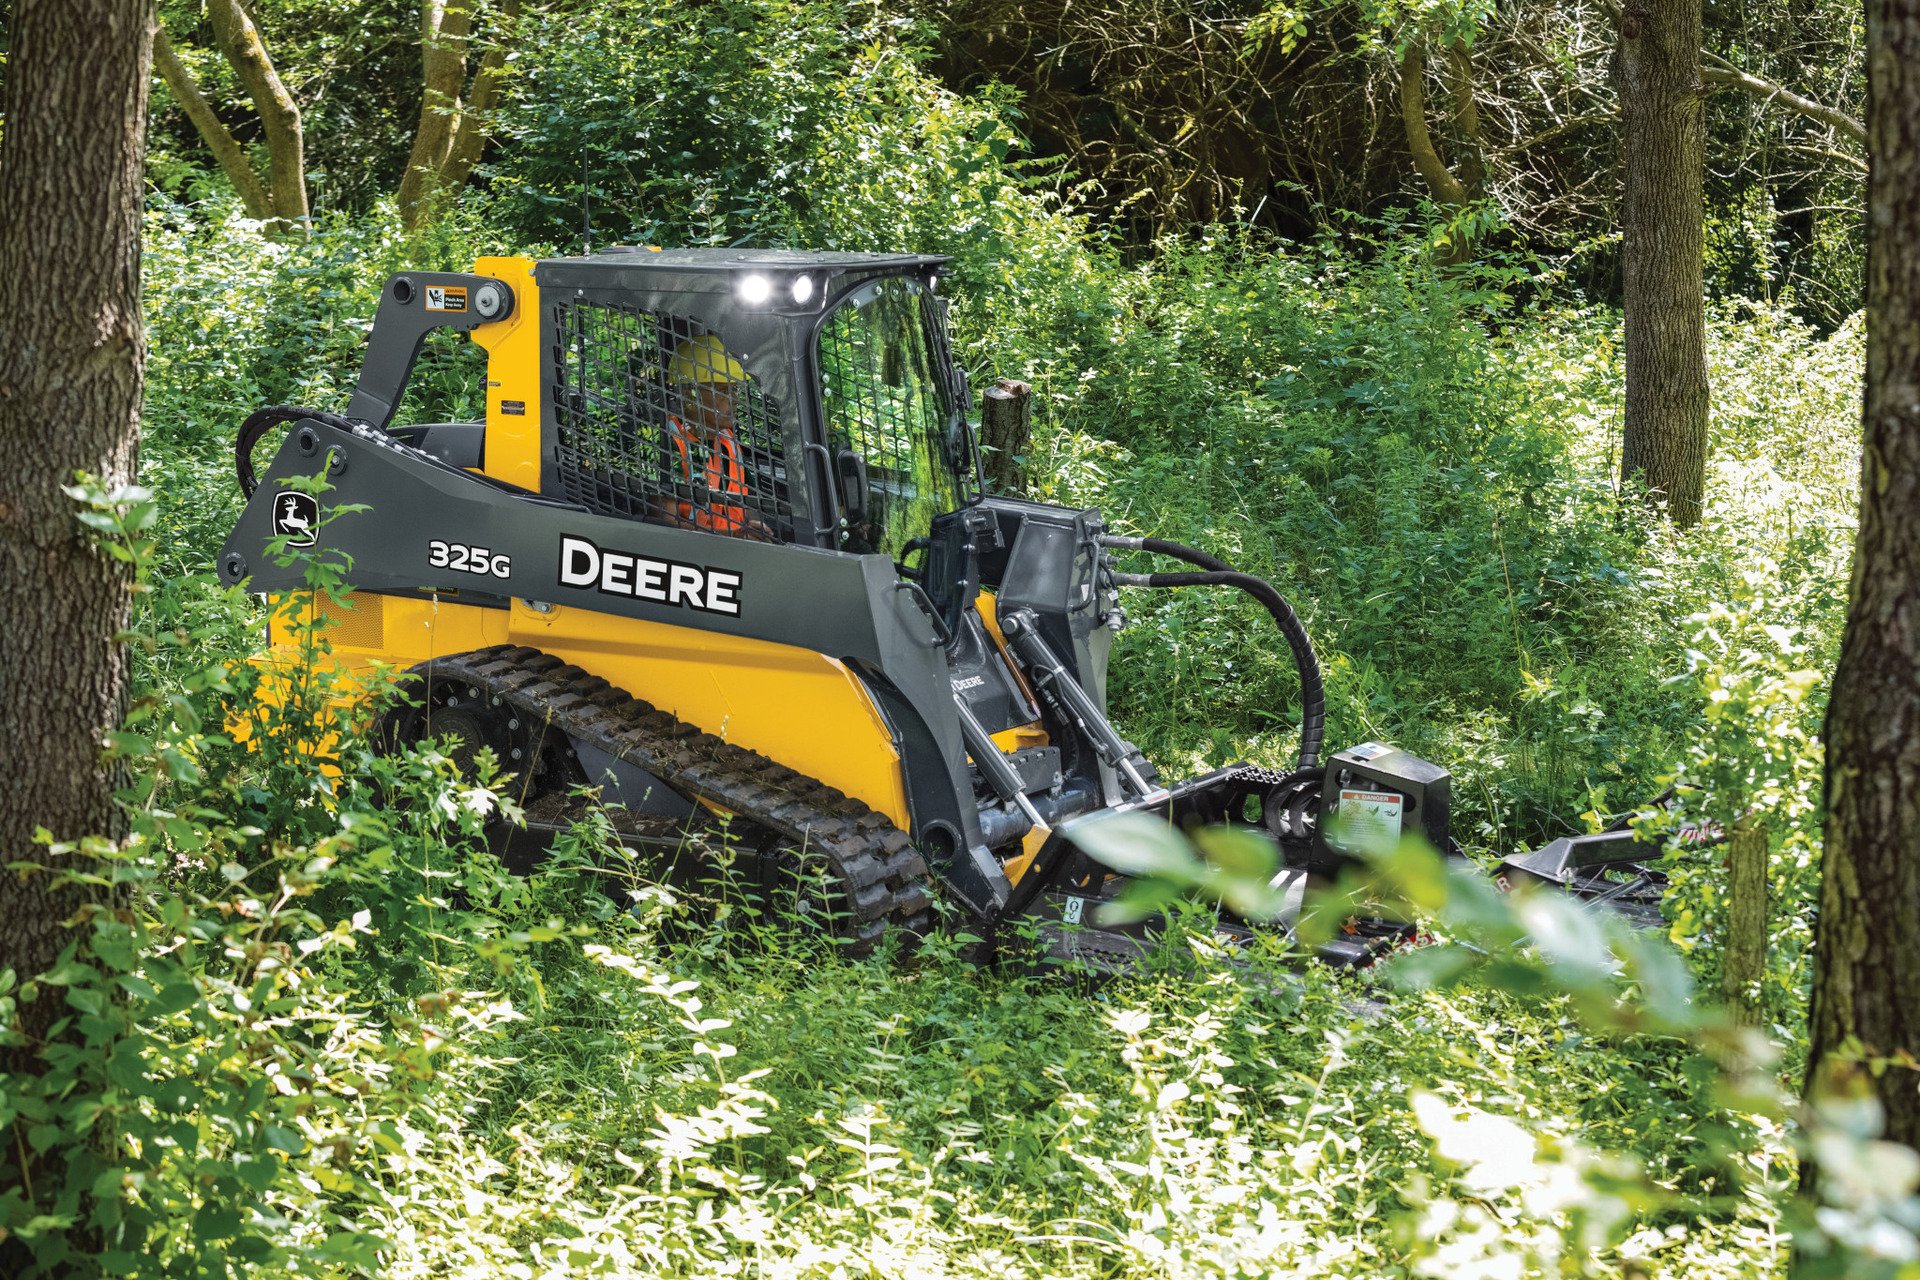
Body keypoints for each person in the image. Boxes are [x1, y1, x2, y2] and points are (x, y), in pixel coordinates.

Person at [661, 333, 773, 541]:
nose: (735, 400)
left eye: (735, 390)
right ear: (689, 395)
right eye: (723, 391)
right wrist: (734, 536)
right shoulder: (669, 443)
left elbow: (748, 503)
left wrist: (755, 529)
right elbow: (664, 524)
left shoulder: (728, 442)